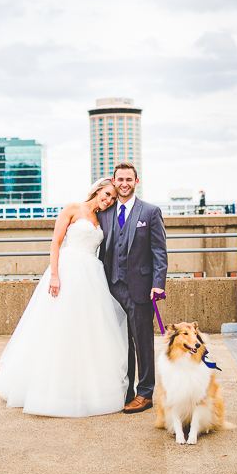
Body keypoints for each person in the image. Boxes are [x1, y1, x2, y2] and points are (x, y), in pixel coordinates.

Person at [0, 178, 129, 417]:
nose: (109, 200)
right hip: (68, 270)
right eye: (107, 194)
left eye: (113, 198)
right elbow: (56, 242)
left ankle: (85, 384)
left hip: (91, 276)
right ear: (98, 189)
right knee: (58, 325)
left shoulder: (102, 218)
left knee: (87, 330)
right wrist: (54, 275)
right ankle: (49, 385)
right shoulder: (72, 208)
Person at [98, 162, 168, 414]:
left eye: (129, 179)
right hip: (110, 286)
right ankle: (125, 391)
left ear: (136, 182)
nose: (124, 184)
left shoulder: (149, 212)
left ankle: (145, 392)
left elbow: (159, 251)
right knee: (120, 342)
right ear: (113, 181)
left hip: (140, 287)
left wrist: (158, 284)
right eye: (120, 180)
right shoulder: (103, 213)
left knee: (142, 341)